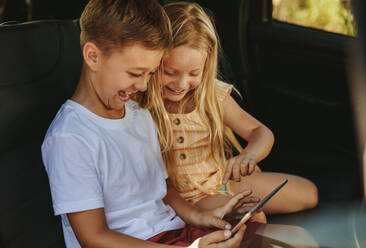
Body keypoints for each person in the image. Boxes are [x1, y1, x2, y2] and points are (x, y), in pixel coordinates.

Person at [41, 0, 260, 247]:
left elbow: (161, 188)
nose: (144, 86)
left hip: (174, 232)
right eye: (135, 74)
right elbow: (94, 237)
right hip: (137, 242)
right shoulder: (70, 138)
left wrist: (201, 217)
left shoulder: (138, 113)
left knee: (278, 236)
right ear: (93, 57)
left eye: (151, 73)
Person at [148, 1, 318, 215]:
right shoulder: (143, 104)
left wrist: (248, 156)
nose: (181, 84)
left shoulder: (212, 96)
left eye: (193, 73)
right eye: (171, 72)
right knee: (251, 211)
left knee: (308, 192)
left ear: (206, 66)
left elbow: (261, 133)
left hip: (224, 181)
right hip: (189, 199)